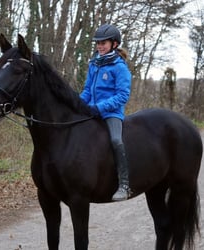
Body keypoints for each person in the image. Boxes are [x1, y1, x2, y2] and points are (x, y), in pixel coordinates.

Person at [80, 24, 132, 201]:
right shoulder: (94, 64)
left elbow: (122, 95)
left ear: (114, 44)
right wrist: (77, 104)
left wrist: (100, 107)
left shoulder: (120, 67)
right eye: (98, 43)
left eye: (103, 43)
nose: (100, 46)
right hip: (91, 110)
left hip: (111, 113)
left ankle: (124, 184)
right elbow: (87, 90)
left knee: (116, 140)